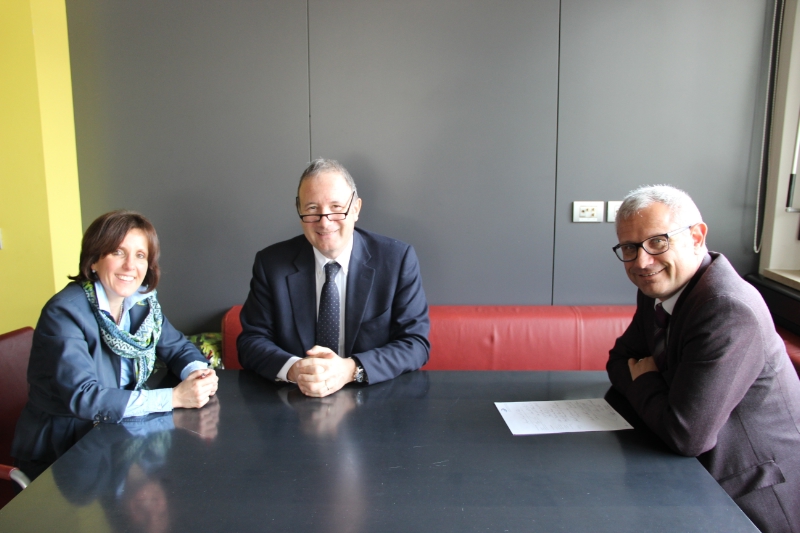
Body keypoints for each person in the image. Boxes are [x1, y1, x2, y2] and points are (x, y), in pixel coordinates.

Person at [607, 185, 800, 532]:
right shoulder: (659, 286)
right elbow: (619, 361)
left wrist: (645, 379)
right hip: (686, 474)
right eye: (629, 247)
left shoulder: (727, 308)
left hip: (750, 495)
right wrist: (653, 389)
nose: (641, 262)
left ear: (696, 237)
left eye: (657, 242)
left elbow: (686, 435)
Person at [12, 210, 219, 481]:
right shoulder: (64, 312)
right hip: (67, 451)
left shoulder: (142, 303)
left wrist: (198, 375)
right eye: (118, 252)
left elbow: (178, 347)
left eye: (140, 255)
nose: (130, 266)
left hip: (119, 432)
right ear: (93, 260)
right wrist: (175, 398)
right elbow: (85, 397)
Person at [238, 158, 430, 397]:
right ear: (299, 210)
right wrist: (295, 370)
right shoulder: (271, 264)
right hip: (295, 398)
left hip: (375, 400)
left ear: (356, 208)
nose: (324, 220)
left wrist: (351, 369)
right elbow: (251, 341)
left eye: (336, 207)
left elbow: (415, 344)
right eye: (312, 208)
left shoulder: (397, 260)